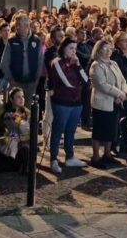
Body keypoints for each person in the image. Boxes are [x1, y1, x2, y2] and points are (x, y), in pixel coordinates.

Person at [46, 38, 88, 174]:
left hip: (76, 102)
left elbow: (86, 80)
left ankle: (70, 156)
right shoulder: (56, 62)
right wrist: (78, 84)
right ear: (64, 48)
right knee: (58, 131)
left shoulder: (76, 63)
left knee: (70, 131)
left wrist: (79, 65)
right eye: (71, 48)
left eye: (75, 49)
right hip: (62, 102)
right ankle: (53, 159)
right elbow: (67, 81)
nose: (73, 51)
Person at [89, 39, 127, 168]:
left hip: (114, 102)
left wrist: (122, 94)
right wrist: (118, 93)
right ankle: (95, 157)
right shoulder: (96, 65)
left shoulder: (114, 64)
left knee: (111, 130)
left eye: (109, 49)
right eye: (105, 49)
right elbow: (102, 84)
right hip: (102, 103)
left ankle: (107, 154)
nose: (108, 52)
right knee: (99, 131)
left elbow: (122, 80)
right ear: (98, 51)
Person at [0, 87, 28, 174]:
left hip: (19, 140)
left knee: (25, 146)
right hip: (3, 137)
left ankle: (24, 169)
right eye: (18, 97)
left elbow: (27, 131)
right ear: (11, 99)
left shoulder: (26, 112)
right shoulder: (2, 110)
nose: (21, 99)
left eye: (22, 96)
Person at [0, 15, 44, 99]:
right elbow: (4, 62)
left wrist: (37, 78)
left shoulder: (36, 41)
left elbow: (40, 61)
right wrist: (10, 79)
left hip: (31, 82)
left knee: (27, 110)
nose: (16, 28)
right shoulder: (11, 41)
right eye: (17, 25)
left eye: (19, 25)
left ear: (27, 26)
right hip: (15, 82)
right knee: (15, 109)